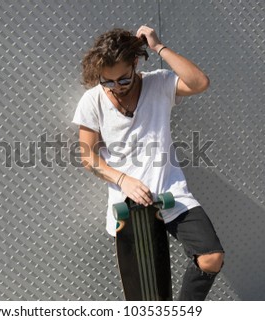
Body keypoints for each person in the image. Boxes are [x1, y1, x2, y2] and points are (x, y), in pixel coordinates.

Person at [72, 25, 224, 300]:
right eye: (107, 81)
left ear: (135, 63)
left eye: (123, 79)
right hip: (130, 208)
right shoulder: (92, 101)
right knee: (145, 292)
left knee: (211, 258)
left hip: (172, 194)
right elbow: (88, 157)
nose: (115, 87)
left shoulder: (160, 83)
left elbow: (199, 83)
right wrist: (122, 180)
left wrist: (158, 47)